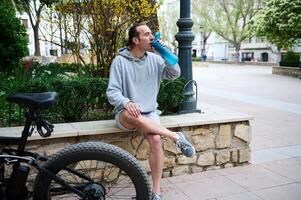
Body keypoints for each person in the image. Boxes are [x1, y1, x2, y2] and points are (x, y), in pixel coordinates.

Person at [106, 22, 196, 200]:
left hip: (150, 113)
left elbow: (174, 74)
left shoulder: (155, 59)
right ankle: (176, 136)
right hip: (126, 114)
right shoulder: (119, 61)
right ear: (135, 39)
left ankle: (156, 192)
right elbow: (112, 92)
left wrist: (165, 53)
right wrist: (126, 102)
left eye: (151, 34)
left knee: (155, 140)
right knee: (133, 115)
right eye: (146, 34)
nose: (151, 37)